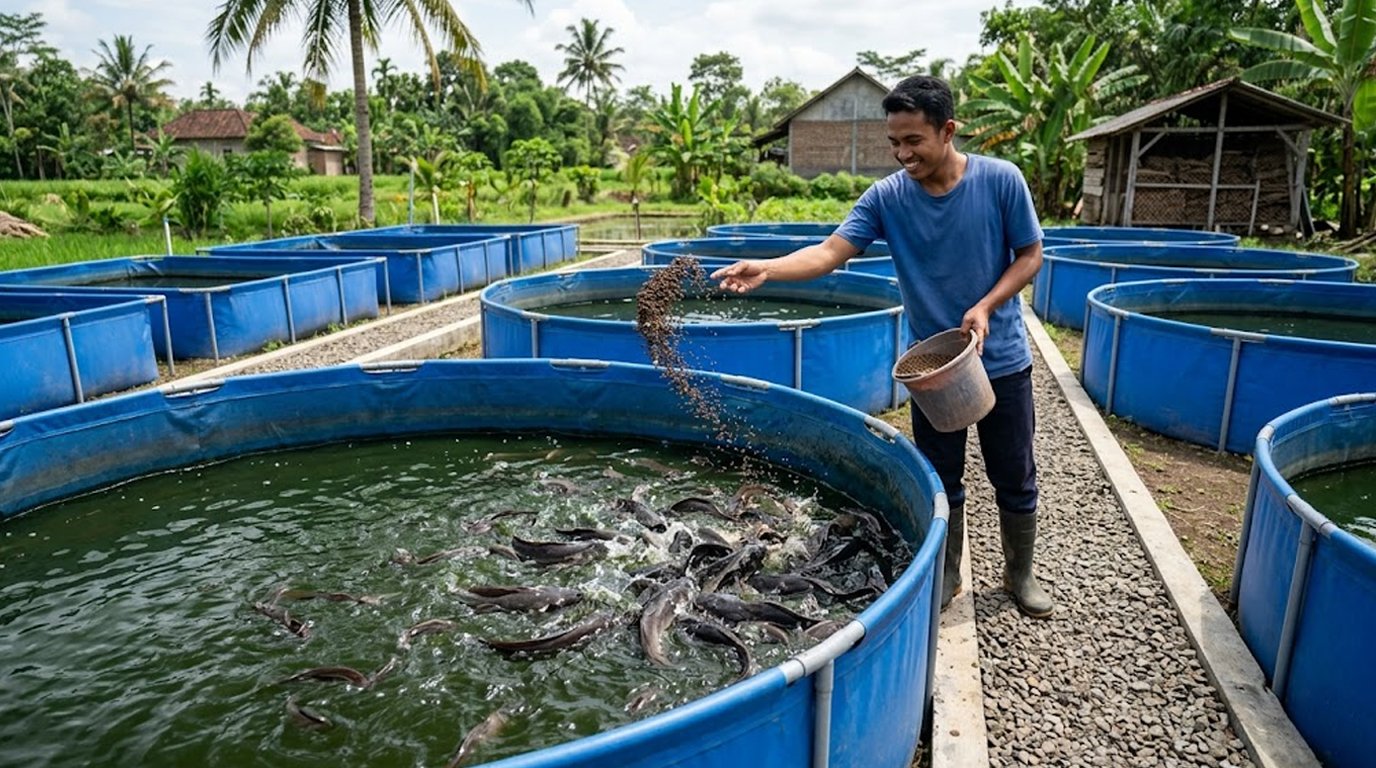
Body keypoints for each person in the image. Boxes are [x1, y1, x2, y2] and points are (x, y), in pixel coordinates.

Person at [711, 75, 1052, 618]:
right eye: (894, 142)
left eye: (913, 140)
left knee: (1014, 471)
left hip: (1001, 357)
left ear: (948, 130)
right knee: (941, 476)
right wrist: (766, 269)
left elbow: (1030, 255)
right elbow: (828, 253)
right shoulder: (888, 197)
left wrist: (987, 305)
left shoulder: (1000, 180)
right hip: (931, 367)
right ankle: (947, 574)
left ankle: (1020, 574)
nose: (901, 154)